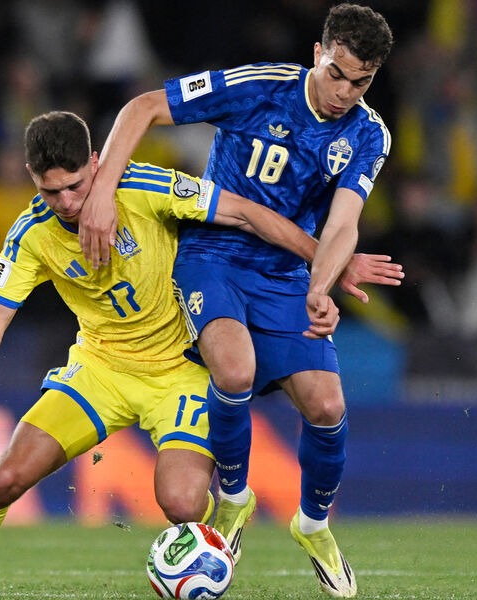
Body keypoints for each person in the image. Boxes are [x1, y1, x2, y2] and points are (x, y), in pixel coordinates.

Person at [0, 110, 357, 597]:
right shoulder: (31, 233)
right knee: (6, 478)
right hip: (100, 369)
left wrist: (328, 262)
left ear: (95, 162)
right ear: (31, 179)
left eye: (76, 186)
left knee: (182, 504)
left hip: (181, 369)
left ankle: (221, 527)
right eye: (51, 191)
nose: (67, 202)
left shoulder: (144, 187)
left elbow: (244, 213)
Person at [79, 4, 396, 597]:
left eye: (361, 82)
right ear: (317, 53)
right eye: (336, 73)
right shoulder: (257, 86)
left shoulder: (367, 133)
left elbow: (343, 224)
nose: (344, 92)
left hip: (285, 275)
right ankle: (233, 497)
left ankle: (313, 523)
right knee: (234, 369)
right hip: (213, 257)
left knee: (328, 407)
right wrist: (101, 191)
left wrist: (320, 288)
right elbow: (143, 107)